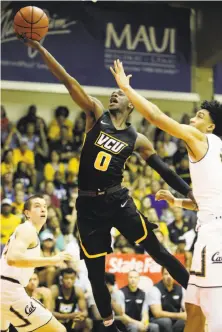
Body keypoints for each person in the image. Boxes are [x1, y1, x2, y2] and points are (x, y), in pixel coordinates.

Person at [19, 38, 192, 332]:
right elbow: (67, 80)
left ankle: (200, 292)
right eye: (113, 92)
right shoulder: (95, 114)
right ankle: (110, 326)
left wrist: (188, 193)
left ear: (130, 104)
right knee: (95, 273)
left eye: (119, 94)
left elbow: (164, 169)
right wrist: (42, 50)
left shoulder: (138, 139)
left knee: (158, 251)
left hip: (118, 201)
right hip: (87, 205)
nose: (114, 95)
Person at [111, 59, 222, 332]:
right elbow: (210, 201)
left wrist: (126, 87)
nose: (192, 120)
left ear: (210, 127)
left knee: (215, 314)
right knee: (194, 310)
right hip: (209, 228)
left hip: (214, 236)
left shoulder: (201, 139)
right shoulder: (216, 145)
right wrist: (178, 202)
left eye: (200, 117)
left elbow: (156, 117)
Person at [0, 194, 72, 332]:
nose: (43, 209)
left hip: (6, 288)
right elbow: (12, 259)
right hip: (9, 290)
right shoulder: (27, 229)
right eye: (37, 206)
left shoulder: (27, 231)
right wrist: (51, 260)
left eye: (45, 206)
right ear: (27, 213)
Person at [51, 267, 91, 332]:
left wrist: (81, 316)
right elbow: (49, 312)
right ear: (61, 279)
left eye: (72, 278)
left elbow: (85, 311)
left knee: (88, 322)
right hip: (56, 321)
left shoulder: (78, 291)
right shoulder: (55, 290)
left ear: (75, 279)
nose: (69, 281)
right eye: (66, 278)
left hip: (71, 320)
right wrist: (68, 316)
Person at [148, 267, 186, 332]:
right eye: (166, 274)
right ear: (162, 275)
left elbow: (187, 311)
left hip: (175, 320)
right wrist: (179, 315)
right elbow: (157, 313)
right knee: (166, 322)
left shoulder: (181, 289)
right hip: (157, 319)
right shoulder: (155, 289)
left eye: (171, 274)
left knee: (185, 321)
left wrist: (186, 315)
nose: (169, 276)